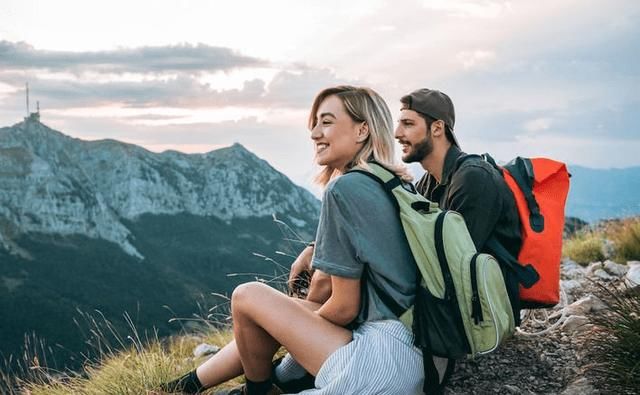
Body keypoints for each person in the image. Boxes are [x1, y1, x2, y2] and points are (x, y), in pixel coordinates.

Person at [160, 86, 424, 395]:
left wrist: (290, 332)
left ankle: (255, 391)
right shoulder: (396, 184)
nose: (314, 133)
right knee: (281, 310)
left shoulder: (346, 189)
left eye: (326, 122)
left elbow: (344, 308)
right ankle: (184, 386)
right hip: (410, 356)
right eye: (314, 123)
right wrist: (294, 316)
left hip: (374, 363)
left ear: (362, 129)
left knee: (247, 296)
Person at [393, 88, 523, 322]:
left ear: (437, 128)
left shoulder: (474, 178)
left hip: (483, 314)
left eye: (408, 124)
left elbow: (453, 264)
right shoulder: (430, 182)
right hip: (457, 300)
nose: (397, 133)